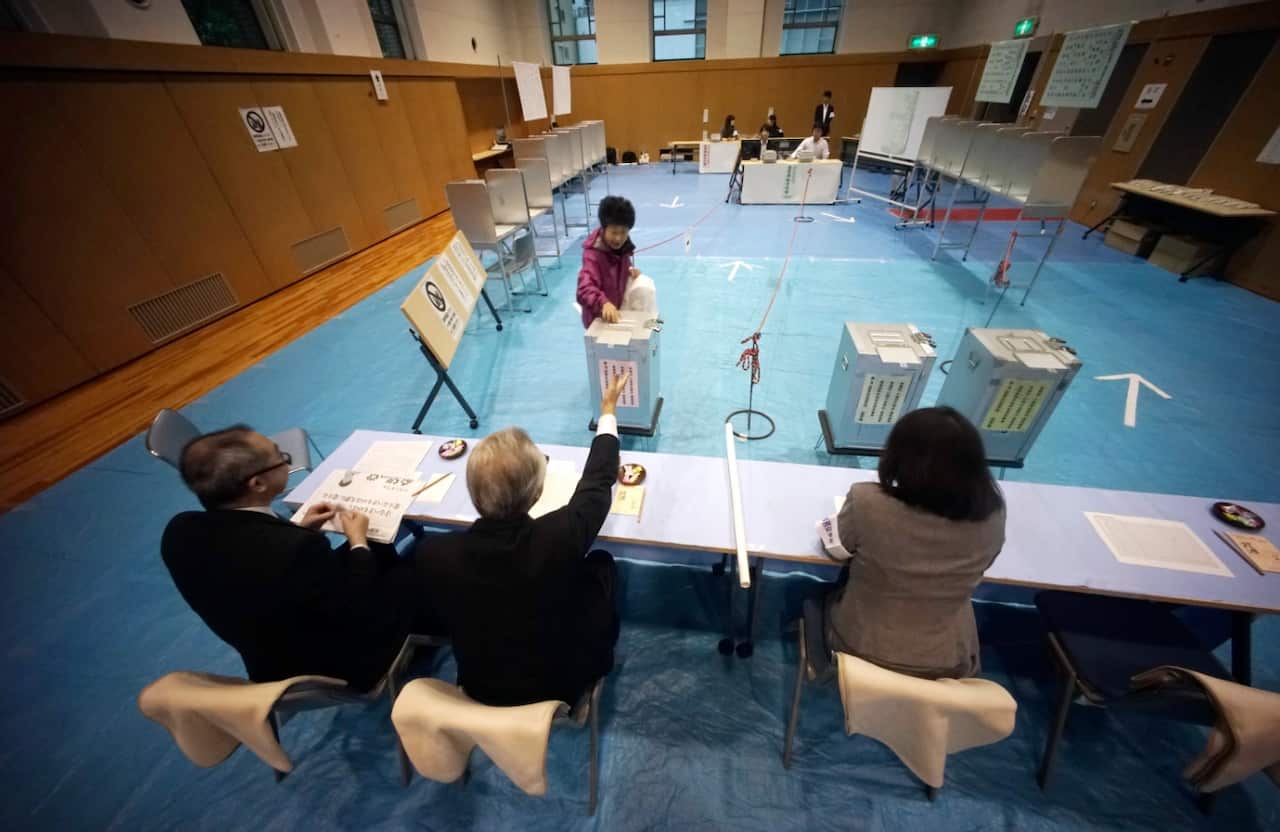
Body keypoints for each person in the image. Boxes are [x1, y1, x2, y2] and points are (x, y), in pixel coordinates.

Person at [161, 427, 429, 692]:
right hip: (343, 664)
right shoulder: (296, 549)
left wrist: (298, 529)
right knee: (426, 562)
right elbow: (357, 603)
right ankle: (413, 641)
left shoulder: (178, 530)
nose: (285, 460)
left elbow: (252, 564)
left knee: (377, 551)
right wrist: (357, 542)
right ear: (257, 483)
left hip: (271, 663)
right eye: (281, 457)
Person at [415, 375, 629, 706]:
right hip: (561, 684)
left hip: (479, 686)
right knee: (601, 565)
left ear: (473, 492)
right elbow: (599, 480)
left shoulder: (434, 554)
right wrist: (608, 410)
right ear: (538, 492)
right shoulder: (560, 535)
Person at [817, 407, 1006, 679]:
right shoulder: (993, 516)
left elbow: (835, 549)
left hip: (861, 647)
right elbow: (986, 564)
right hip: (947, 659)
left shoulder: (867, 501)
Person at [577, 195, 639, 327]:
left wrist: (631, 273)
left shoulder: (624, 250)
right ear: (604, 228)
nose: (618, 238)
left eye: (623, 232)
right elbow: (584, 289)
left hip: (617, 316)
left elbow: (621, 272)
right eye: (614, 232)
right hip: (598, 320)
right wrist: (603, 303)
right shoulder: (592, 255)